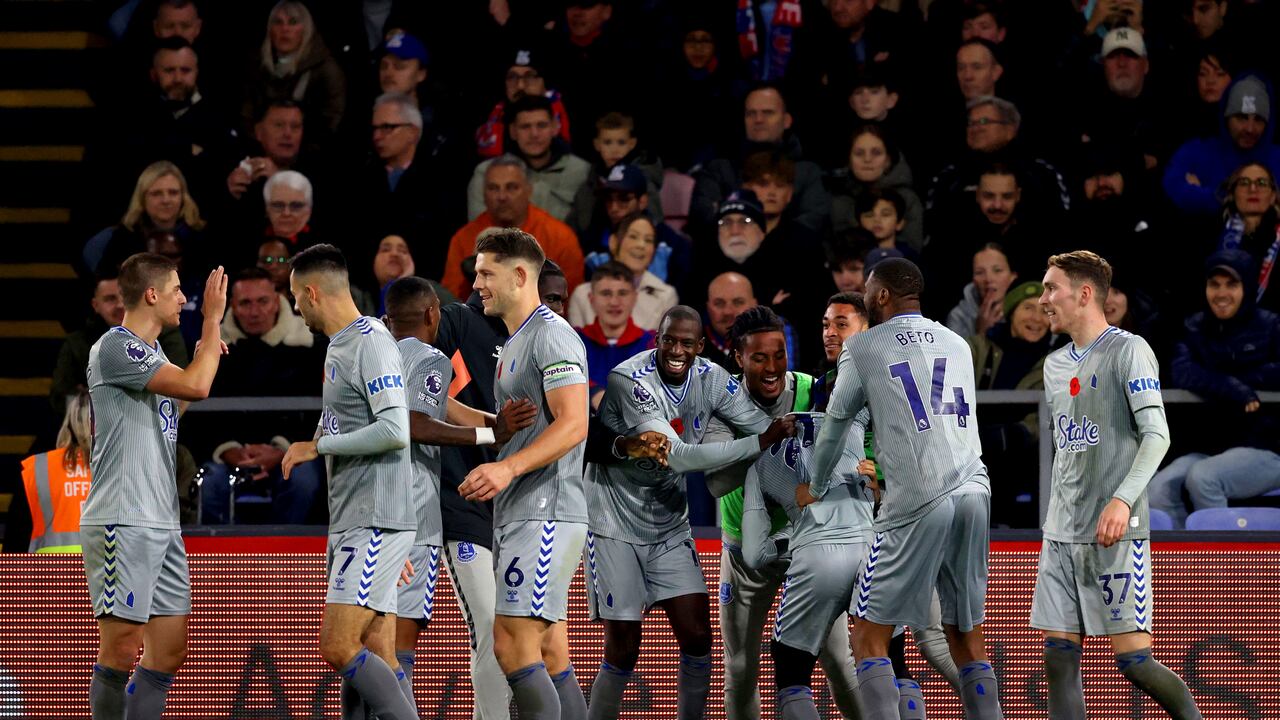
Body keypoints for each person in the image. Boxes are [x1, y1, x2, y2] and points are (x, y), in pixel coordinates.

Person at [800, 258, 1003, 719]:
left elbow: (834, 425)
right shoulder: (957, 342)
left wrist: (816, 483)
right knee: (966, 637)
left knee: (868, 636)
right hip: (974, 489)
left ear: (883, 295)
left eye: (869, 290)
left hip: (916, 499)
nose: (866, 296)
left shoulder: (865, 346)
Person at [584, 306, 793, 720]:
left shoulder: (711, 379)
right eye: (668, 341)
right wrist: (761, 441)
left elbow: (757, 420)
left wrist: (791, 426)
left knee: (698, 636)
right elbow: (677, 458)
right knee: (624, 647)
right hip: (613, 519)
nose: (676, 350)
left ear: (700, 346)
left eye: (685, 343)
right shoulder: (629, 381)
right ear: (656, 341)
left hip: (667, 521)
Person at [1032, 250, 1201, 718]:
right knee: (1058, 657)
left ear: (1084, 294)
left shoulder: (1130, 350)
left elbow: (1158, 435)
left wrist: (1122, 501)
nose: (1042, 299)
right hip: (1061, 530)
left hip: (1117, 533)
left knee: (1134, 661)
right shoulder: (1054, 365)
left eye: (1051, 288)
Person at [382, 276, 538, 714]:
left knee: (370, 641)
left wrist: (495, 427)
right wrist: (490, 431)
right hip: (441, 507)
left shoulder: (370, 351)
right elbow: (417, 418)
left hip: (493, 505)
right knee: (486, 629)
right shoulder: (445, 335)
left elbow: (438, 404)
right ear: (434, 313)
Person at [81, 254, 228, 719]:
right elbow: (196, 387)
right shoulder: (115, 347)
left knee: (168, 651)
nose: (184, 299)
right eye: (178, 290)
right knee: (122, 650)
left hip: (162, 521)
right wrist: (210, 323)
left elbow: (179, 403)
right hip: (122, 517)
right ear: (151, 295)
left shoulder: (155, 356)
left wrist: (207, 351)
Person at [456, 228, 591, 719]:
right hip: (526, 514)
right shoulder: (516, 341)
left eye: (486, 273)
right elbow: (516, 428)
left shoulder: (552, 334)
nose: (477, 284)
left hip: (546, 512)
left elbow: (575, 423)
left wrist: (507, 468)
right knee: (550, 650)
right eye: (475, 273)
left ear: (519, 275)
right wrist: (447, 412)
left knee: (511, 644)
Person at [702, 306, 862, 720]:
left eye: (779, 355)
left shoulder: (816, 390)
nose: (772, 367)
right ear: (738, 358)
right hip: (744, 554)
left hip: (808, 547)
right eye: (759, 357)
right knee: (740, 669)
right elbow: (716, 484)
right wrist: (764, 442)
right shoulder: (720, 404)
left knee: (839, 662)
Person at [279, 244, 418, 719]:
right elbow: (343, 420)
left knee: (339, 645)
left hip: (374, 516)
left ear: (312, 292)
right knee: (375, 649)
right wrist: (318, 436)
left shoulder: (371, 342)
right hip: (357, 517)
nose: (295, 308)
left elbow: (395, 430)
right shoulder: (341, 346)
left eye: (296, 297)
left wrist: (316, 448)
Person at [741, 412, 875, 720]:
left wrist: (790, 539)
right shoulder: (852, 420)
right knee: (889, 660)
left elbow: (754, 555)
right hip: (872, 551)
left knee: (790, 667)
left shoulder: (758, 460)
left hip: (816, 556)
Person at [1150, 249, 1280, 527]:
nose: (1221, 293)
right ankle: (1185, 565)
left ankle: (1222, 568)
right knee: (1157, 489)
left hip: (1267, 445)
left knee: (1204, 477)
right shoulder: (1194, 326)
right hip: (1211, 446)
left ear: (1247, 286)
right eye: (1214, 284)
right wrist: (1234, 388)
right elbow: (1183, 372)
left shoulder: (1271, 326)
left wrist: (1230, 376)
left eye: (1231, 284)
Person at [200, 268, 323, 525]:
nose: (254, 312)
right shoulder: (212, 348)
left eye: (262, 301)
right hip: (230, 453)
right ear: (232, 305)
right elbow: (201, 415)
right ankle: (219, 562)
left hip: (290, 450)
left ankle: (286, 559)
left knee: (304, 482)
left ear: (277, 301)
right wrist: (228, 450)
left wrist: (281, 449)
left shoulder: (310, 347)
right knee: (208, 484)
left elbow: (318, 412)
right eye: (245, 303)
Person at [689, 85, 831, 236]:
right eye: (751, 114)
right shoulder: (719, 169)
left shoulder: (808, 172)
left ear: (786, 121)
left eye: (768, 113)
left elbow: (814, 219)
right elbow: (703, 215)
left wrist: (769, 240)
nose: (758, 120)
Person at [443, 155, 584, 299]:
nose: (502, 196)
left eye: (511, 187)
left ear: (529, 191)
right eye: (493, 188)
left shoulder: (560, 237)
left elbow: (568, 300)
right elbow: (453, 300)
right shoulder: (463, 239)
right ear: (483, 194)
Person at [357, 92, 463, 280]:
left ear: (413, 133)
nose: (377, 136)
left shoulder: (439, 181)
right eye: (375, 129)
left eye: (387, 127)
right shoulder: (360, 178)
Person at [52, 276, 188, 419]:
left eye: (125, 296)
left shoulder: (165, 334)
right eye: (110, 299)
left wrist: (97, 393)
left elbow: (178, 385)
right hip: (92, 431)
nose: (120, 305)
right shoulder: (77, 343)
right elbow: (60, 397)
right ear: (95, 305)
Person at [1164, 73, 1280, 215]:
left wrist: (1209, 195)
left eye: (1258, 119)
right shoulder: (1197, 151)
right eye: (1241, 117)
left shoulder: (1277, 159)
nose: (1250, 128)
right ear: (1226, 118)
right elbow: (1172, 185)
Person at [467, 95, 592, 223]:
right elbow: (479, 230)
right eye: (525, 127)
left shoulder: (581, 171)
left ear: (555, 127)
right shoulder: (487, 172)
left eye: (542, 125)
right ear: (513, 131)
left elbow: (587, 230)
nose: (534, 134)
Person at [242, 0, 346, 143]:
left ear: (306, 30)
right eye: (278, 22)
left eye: (293, 22)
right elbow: (246, 114)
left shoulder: (326, 70)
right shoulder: (256, 66)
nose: (285, 29)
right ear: (270, 30)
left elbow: (331, 122)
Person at [86, 161, 208, 275]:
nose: (166, 200)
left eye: (173, 192)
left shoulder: (202, 236)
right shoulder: (123, 238)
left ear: (183, 196)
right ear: (142, 198)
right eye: (156, 194)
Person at [570, 213, 678, 330]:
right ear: (613, 242)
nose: (641, 245)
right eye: (633, 236)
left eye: (648, 240)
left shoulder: (666, 296)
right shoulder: (582, 295)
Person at [572, 262, 655, 410]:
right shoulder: (574, 341)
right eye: (606, 293)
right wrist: (593, 392)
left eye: (622, 293)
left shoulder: (653, 345)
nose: (614, 302)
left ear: (635, 297)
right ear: (591, 299)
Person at [829, 125, 924, 251]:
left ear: (888, 160)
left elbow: (913, 250)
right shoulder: (838, 199)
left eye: (876, 153)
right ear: (849, 160)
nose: (867, 159)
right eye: (859, 153)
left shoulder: (907, 199)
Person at [22, 390, 93, 553]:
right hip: (105, 574)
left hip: (51, 573)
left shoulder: (38, 467)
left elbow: (18, 532)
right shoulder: (120, 467)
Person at [475, 47, 572, 160]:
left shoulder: (570, 111)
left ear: (544, 82)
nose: (520, 85)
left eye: (529, 76)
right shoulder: (491, 114)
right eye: (512, 77)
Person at [1217, 162, 1280, 313]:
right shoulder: (1209, 233)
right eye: (1244, 183)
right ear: (1233, 194)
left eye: (1262, 183)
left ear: (1273, 196)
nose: (1253, 189)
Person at [946, 243, 1019, 339]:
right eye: (979, 272)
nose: (988, 279)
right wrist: (982, 332)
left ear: (1013, 276)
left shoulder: (1030, 310)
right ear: (973, 280)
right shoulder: (959, 317)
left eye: (997, 270)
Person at [702, 272, 757, 374]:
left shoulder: (776, 343)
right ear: (708, 308)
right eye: (719, 303)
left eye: (738, 302)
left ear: (754, 305)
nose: (728, 312)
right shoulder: (692, 349)